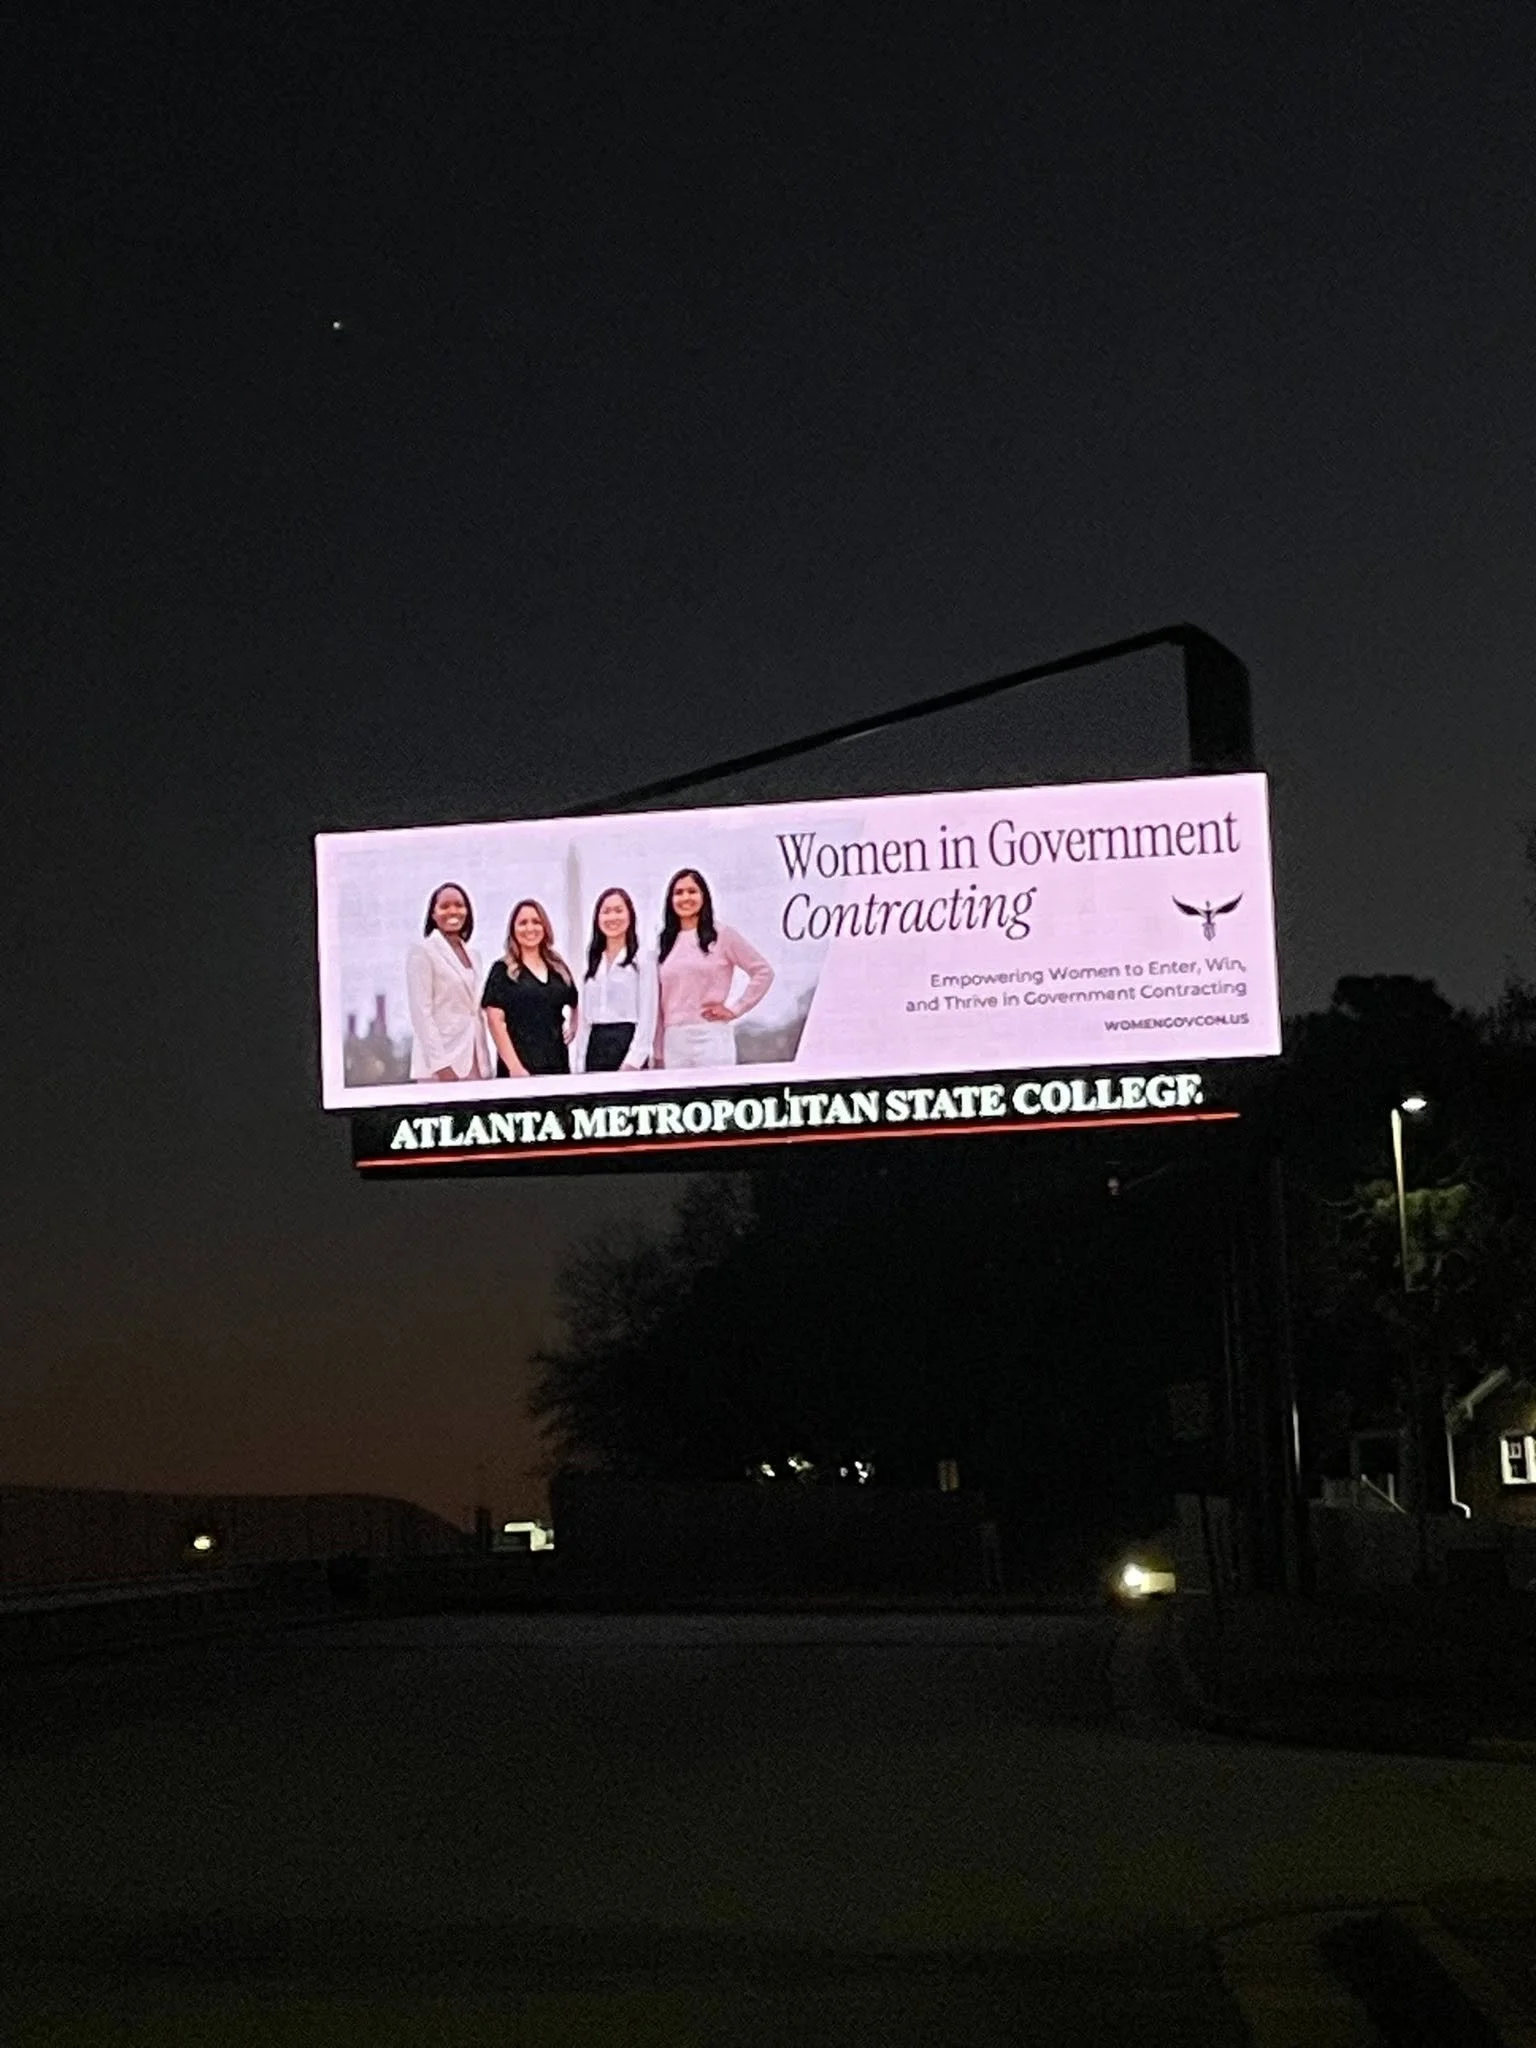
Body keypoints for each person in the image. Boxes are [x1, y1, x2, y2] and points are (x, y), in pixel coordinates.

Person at [653, 867, 773, 1069]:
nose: (685, 898)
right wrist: (657, 1049)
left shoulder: (722, 935)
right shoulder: (663, 942)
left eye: (692, 891)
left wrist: (735, 1009)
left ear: (703, 896)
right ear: (670, 900)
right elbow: (656, 1001)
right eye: (678, 892)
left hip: (710, 1036)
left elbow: (763, 971)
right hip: (673, 1039)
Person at [481, 899, 577, 1078]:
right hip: (520, 1069)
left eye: (536, 922)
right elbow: (495, 1022)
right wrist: (515, 1068)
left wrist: (573, 1025)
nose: (530, 928)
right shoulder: (502, 970)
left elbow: (575, 999)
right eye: (523, 923)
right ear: (513, 929)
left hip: (557, 1066)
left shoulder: (557, 967)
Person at [405, 883, 490, 1084]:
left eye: (459, 905)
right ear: (433, 914)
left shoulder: (474, 955)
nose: (453, 911)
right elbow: (421, 1014)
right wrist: (441, 1066)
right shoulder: (423, 952)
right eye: (444, 906)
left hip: (475, 1060)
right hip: (442, 1067)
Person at [572, 887, 657, 1073]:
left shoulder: (642, 958)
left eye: (619, 911)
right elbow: (585, 1021)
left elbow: (648, 1014)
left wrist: (633, 1060)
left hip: (626, 1043)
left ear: (630, 915)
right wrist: (580, 1060)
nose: (612, 918)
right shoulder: (592, 962)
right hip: (596, 1046)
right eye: (606, 912)